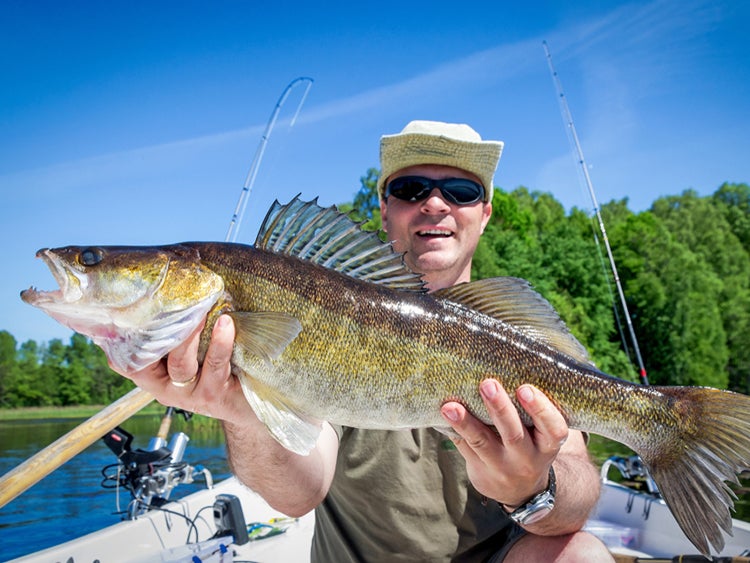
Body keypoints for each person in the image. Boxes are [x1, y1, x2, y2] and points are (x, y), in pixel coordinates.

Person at [127, 120, 614, 562]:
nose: (436, 203)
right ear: (385, 210)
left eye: (461, 191)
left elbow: (575, 496)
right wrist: (241, 413)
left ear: (484, 214)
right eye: (410, 188)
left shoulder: (518, 335)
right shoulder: (328, 319)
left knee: (583, 555)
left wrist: (532, 488)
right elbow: (297, 493)